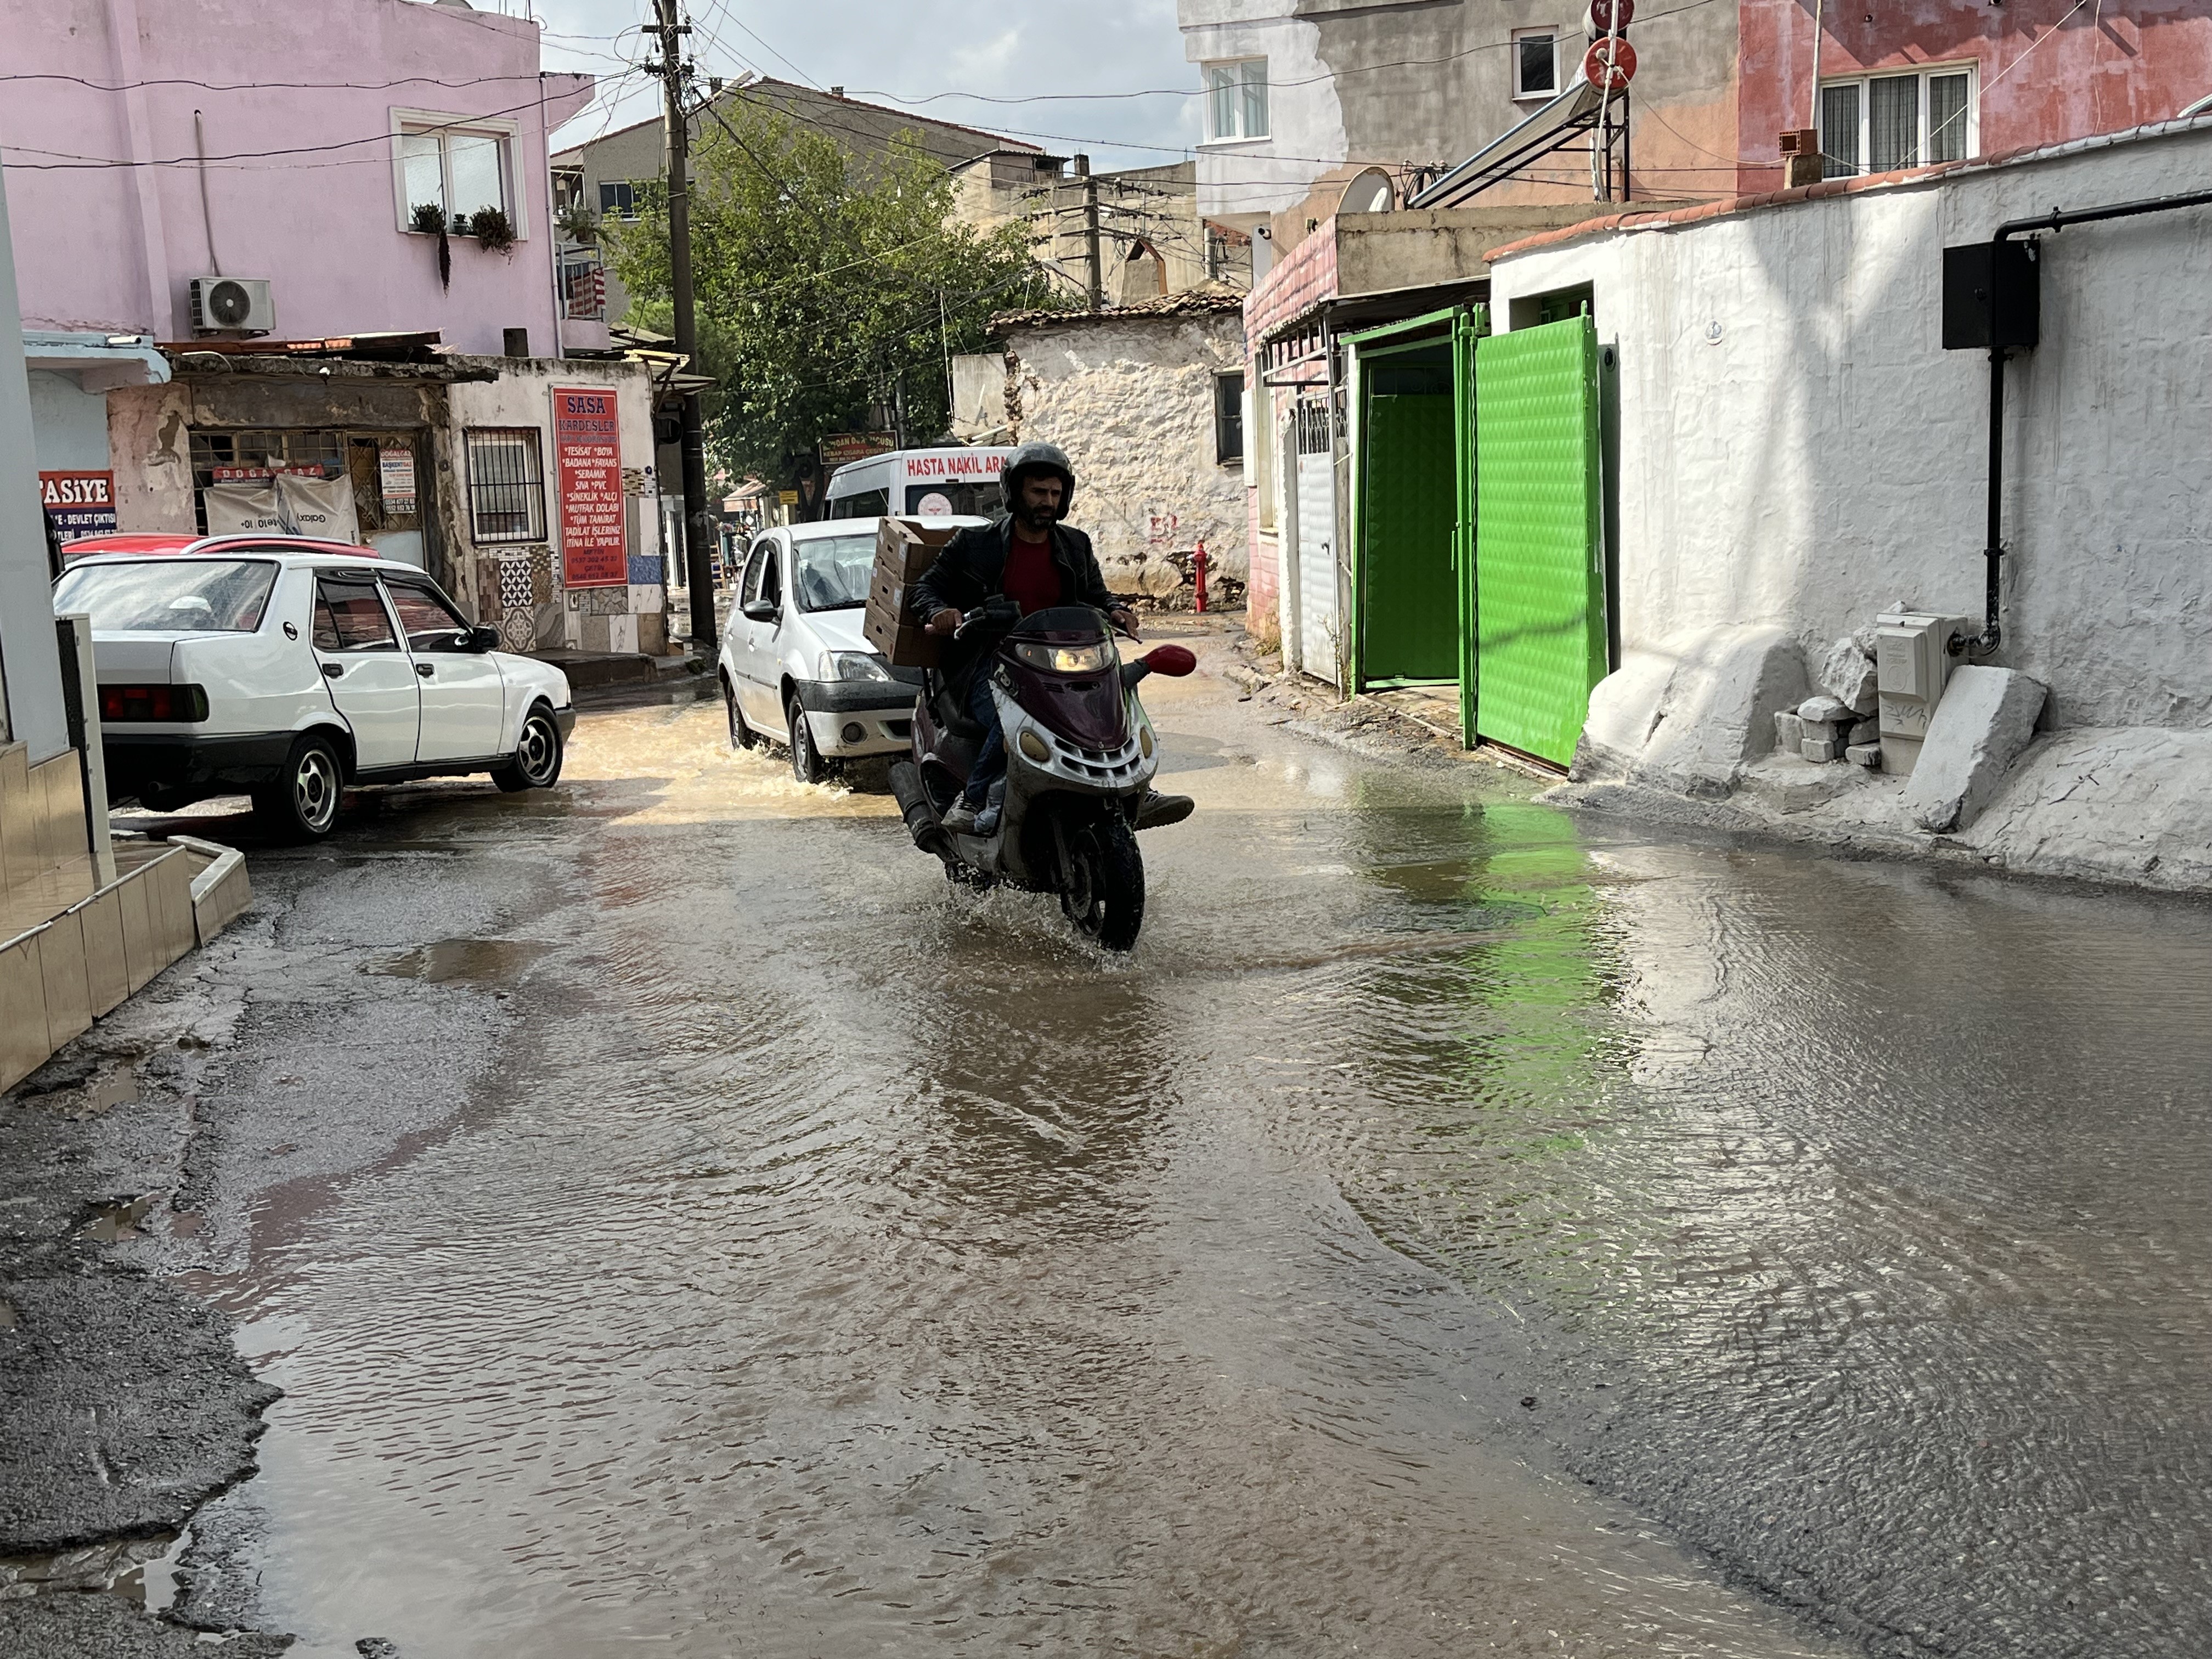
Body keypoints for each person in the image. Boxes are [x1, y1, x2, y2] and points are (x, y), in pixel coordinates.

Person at [912, 442, 1139, 835]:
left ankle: (1133, 786)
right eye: (1038, 492)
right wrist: (939, 611)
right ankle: (974, 797)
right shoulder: (975, 545)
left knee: (1115, 704)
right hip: (989, 662)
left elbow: (1096, 595)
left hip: (1059, 663)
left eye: (1055, 493)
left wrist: (1116, 609)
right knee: (1015, 719)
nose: (1047, 501)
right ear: (1014, 492)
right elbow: (924, 588)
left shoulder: (1075, 545)